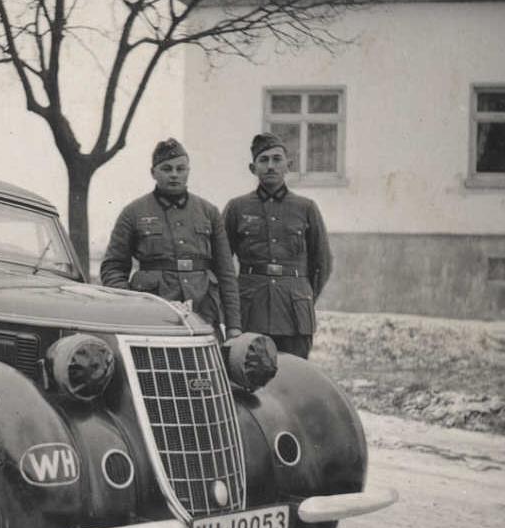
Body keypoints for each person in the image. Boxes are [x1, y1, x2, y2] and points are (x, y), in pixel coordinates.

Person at [100, 138, 241, 339]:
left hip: (203, 311)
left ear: (188, 171)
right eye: (167, 169)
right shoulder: (133, 213)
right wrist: (130, 307)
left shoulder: (209, 212)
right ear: (153, 173)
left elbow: (226, 272)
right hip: (152, 314)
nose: (174, 174)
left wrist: (234, 326)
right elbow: (112, 268)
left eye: (180, 168)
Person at [222, 132, 332, 359]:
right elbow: (222, 262)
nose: (270, 166)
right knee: (250, 375)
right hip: (251, 311)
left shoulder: (306, 208)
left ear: (288, 165)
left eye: (276, 159)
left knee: (295, 379)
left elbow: (322, 262)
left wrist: (303, 297)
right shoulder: (237, 208)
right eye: (263, 160)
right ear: (253, 168)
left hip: (295, 314)